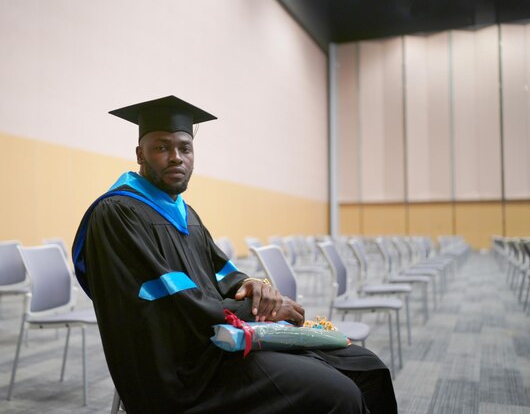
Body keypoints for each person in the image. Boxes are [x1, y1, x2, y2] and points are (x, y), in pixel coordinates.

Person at [72, 95, 398, 414]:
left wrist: (256, 288)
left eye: (185, 148)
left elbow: (222, 274)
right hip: (182, 374)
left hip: (220, 343)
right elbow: (171, 305)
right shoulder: (117, 213)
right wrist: (255, 312)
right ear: (139, 154)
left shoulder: (186, 213)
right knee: (338, 393)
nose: (176, 157)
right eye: (161, 147)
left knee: (368, 368)